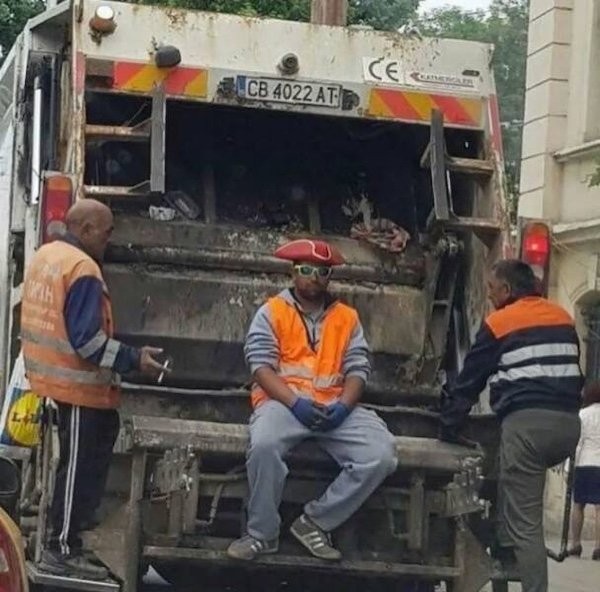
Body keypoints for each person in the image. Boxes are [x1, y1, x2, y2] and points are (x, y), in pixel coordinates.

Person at [227, 239, 397, 561]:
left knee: (381, 455)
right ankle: (262, 534)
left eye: (322, 271)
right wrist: (295, 404)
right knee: (264, 446)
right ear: (293, 272)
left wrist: (343, 407)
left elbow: (358, 369)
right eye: (306, 270)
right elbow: (261, 367)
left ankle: (315, 523)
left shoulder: (347, 318)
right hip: (284, 404)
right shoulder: (272, 312)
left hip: (334, 406)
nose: (314, 277)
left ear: (330, 277)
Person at [21, 199, 165, 580]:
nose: (109, 239)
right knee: (76, 467)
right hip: (77, 385)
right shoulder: (83, 269)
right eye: (106, 231)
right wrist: (135, 359)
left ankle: (73, 537)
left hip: (54, 380)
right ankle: (61, 547)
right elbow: (87, 342)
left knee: (90, 447)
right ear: (85, 230)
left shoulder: (48, 255)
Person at [438, 259, 583, 592]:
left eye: (491, 289)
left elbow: (469, 381)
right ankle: (503, 547)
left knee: (526, 526)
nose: (489, 296)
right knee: (507, 478)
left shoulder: (500, 322)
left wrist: (449, 426)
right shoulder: (562, 316)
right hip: (567, 426)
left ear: (506, 289)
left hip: (528, 426)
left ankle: (526, 572)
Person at [568, 381, 600, 560]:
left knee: (578, 504)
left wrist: (569, 467)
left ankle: (576, 544)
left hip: (584, 463)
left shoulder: (582, 415)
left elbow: (577, 443)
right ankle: (598, 546)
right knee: (599, 508)